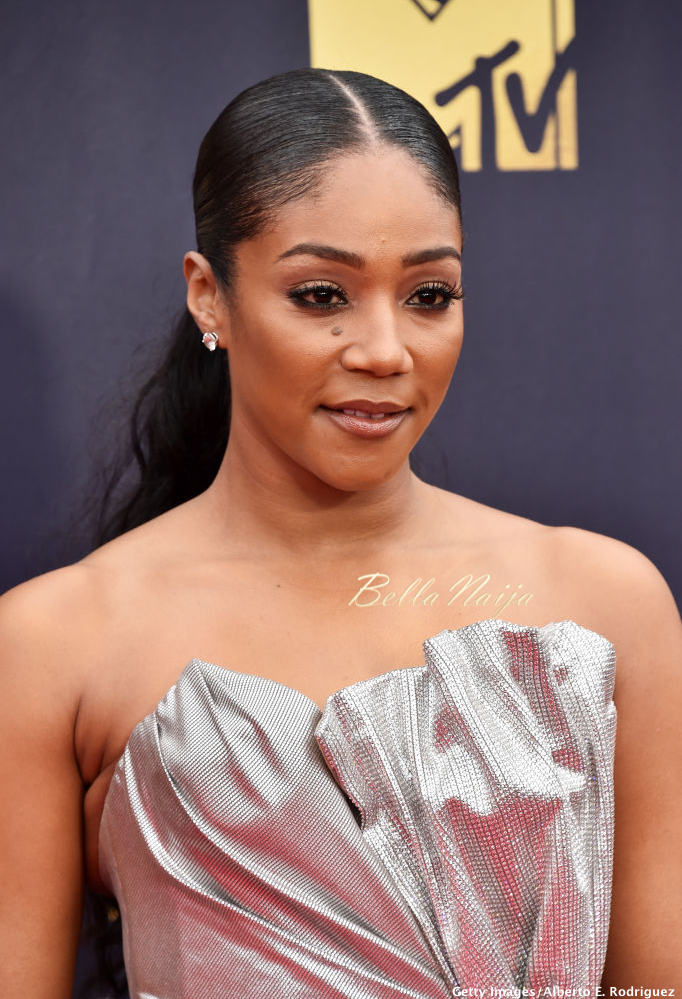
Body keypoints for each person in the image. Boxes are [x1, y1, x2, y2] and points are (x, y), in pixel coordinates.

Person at [1, 67, 681, 999]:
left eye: (429, 295)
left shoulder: (608, 603)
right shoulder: (54, 644)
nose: (386, 350)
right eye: (322, 294)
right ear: (209, 296)